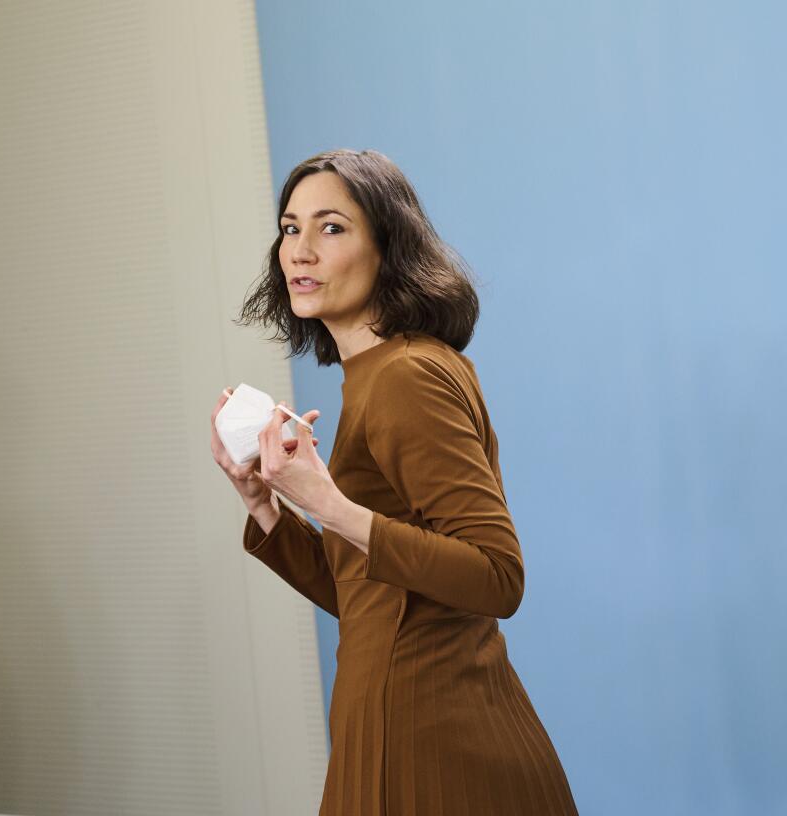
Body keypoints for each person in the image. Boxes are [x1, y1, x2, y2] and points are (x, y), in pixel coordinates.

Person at [209, 148, 578, 815]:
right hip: (395, 721)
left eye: (331, 227)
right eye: (291, 228)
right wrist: (266, 505)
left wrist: (325, 500)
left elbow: (498, 575)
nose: (301, 251)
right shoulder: (383, 374)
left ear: (390, 248)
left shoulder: (405, 377)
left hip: (427, 740)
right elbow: (370, 596)